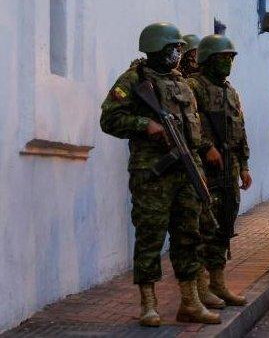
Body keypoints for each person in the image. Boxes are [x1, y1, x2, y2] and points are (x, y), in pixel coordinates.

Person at [100, 23, 221, 327]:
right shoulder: (134, 80)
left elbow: (193, 131)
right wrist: (145, 125)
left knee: (188, 235)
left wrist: (199, 172)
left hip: (186, 171)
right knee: (150, 236)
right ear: (157, 48)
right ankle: (148, 303)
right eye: (174, 48)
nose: (179, 54)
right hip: (152, 175)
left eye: (180, 48)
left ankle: (191, 301)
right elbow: (109, 118)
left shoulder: (182, 83)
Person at [188, 35, 251, 309]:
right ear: (209, 60)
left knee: (225, 224)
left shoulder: (230, 92)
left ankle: (218, 282)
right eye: (223, 58)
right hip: (205, 168)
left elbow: (240, 129)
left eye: (231, 58)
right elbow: (188, 124)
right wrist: (206, 147)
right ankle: (201, 288)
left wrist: (245, 165)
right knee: (205, 227)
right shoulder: (193, 87)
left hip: (230, 166)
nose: (228, 62)